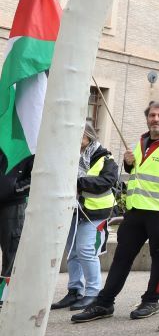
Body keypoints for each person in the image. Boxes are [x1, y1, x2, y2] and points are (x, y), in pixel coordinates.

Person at [73, 101, 159, 323]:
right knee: (122, 257)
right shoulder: (142, 141)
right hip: (135, 210)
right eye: (152, 115)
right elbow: (137, 171)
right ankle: (104, 303)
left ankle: (150, 300)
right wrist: (128, 164)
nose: (156, 119)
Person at [52, 123, 118, 311]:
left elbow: (107, 181)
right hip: (73, 209)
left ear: (89, 136)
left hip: (96, 211)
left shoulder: (104, 156)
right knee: (72, 251)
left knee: (86, 250)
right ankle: (74, 291)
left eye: (79, 133)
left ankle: (93, 293)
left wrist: (79, 182)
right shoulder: (69, 153)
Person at [0, 147, 34, 309]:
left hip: (13, 204)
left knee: (12, 245)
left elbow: (34, 178)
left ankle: (7, 291)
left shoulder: (27, 144)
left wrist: (15, 189)